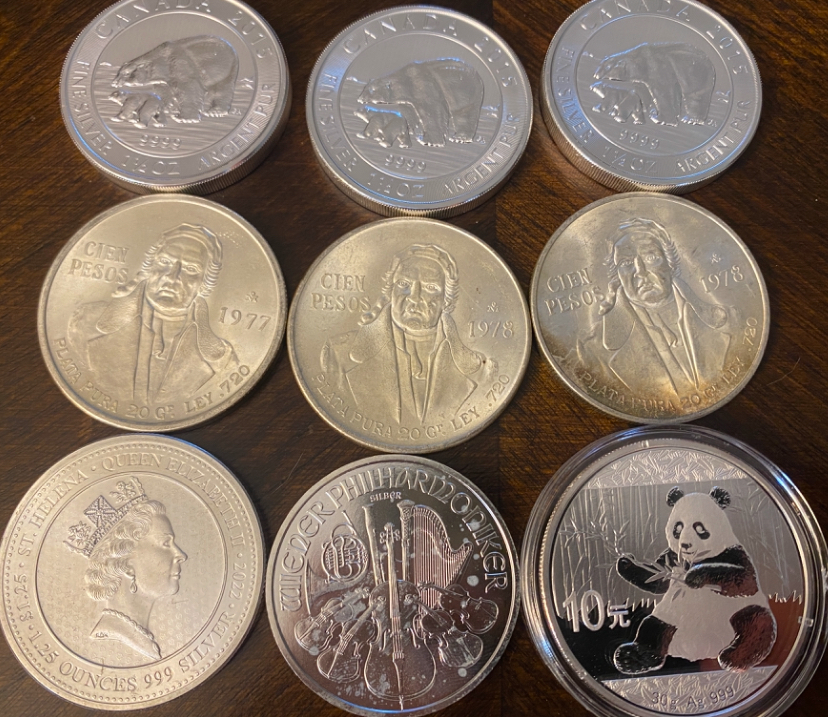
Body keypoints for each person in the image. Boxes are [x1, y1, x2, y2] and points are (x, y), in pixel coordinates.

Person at [322, 244, 492, 425]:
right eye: (404, 284)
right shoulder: (339, 355)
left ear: (446, 299)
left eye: (430, 287)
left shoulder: (480, 369)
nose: (414, 297)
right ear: (390, 292)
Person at [68, 224, 237, 404]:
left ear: (204, 283)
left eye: (190, 269)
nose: (171, 276)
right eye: (164, 262)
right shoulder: (85, 322)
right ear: (150, 268)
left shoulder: (222, 359)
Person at [578, 218, 731, 397]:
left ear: (669, 263)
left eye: (650, 258)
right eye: (626, 264)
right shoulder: (592, 348)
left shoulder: (729, 319)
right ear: (617, 276)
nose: (641, 272)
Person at [66, 478, 187, 661]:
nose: (180, 555)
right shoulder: (115, 641)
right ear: (128, 565)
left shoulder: (141, 638)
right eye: (165, 543)